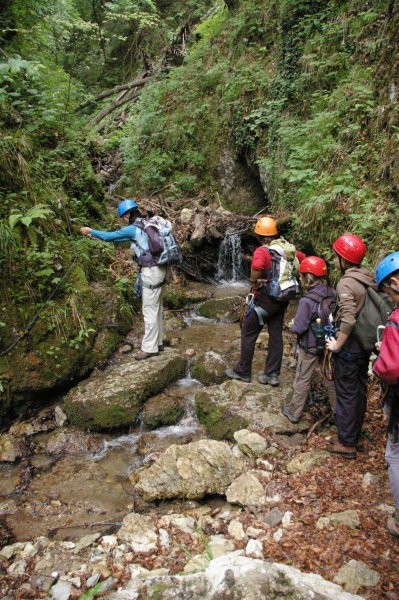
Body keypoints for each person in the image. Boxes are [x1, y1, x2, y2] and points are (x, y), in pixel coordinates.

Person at [80, 198, 166, 361]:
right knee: (157, 307)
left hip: (151, 271)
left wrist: (90, 230)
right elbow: (118, 238)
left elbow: (109, 236)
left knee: (149, 310)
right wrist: (95, 235)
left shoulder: (133, 229)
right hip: (162, 268)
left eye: (123, 217)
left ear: (127, 215)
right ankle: (158, 342)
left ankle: (150, 348)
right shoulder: (149, 223)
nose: (124, 220)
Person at [225, 216, 298, 386]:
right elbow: (298, 264)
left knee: (248, 330)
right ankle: (272, 375)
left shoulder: (262, 251)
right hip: (282, 299)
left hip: (265, 299)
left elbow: (256, 268)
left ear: (259, 236)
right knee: (275, 336)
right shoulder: (285, 249)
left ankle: (243, 371)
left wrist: (254, 281)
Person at [325, 233, 376, 459]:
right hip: (365, 343)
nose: (334, 260)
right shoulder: (367, 277)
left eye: (336, 256)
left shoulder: (346, 281)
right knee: (359, 390)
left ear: (343, 259)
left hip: (351, 346)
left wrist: (337, 345)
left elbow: (348, 319)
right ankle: (353, 434)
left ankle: (346, 443)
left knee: (346, 392)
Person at [282, 256, 337, 424]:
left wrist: (292, 325)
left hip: (310, 346)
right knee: (330, 378)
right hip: (329, 343)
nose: (300, 278)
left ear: (308, 277)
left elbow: (299, 328)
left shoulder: (307, 301)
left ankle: (294, 412)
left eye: (302, 275)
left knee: (302, 378)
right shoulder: (333, 293)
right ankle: (338, 413)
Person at [372, 251, 399, 538]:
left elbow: (390, 369)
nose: (389, 298)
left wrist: (379, 361)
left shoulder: (396, 320)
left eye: (387, 293)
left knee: (395, 454)